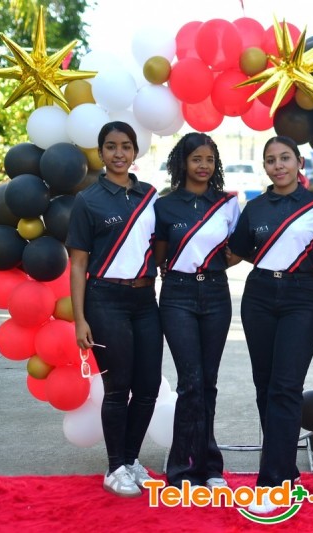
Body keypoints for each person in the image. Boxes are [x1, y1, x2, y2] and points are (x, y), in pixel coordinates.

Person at [226, 136, 313, 514]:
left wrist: (305, 258)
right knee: (265, 386)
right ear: (264, 167)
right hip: (259, 296)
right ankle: (285, 469)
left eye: (284, 158)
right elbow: (239, 252)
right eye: (270, 160)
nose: (278, 165)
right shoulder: (254, 207)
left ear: (299, 163)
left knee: (286, 387)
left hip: (301, 298)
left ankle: (272, 481)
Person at [67, 121, 162, 498]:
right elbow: (78, 264)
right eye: (111, 146)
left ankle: (132, 460)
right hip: (105, 301)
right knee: (117, 387)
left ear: (135, 151)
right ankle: (114, 467)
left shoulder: (150, 195)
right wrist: (80, 319)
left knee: (148, 387)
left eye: (125, 146)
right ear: (101, 152)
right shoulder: (87, 200)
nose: (119, 153)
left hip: (146, 301)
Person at [153, 132, 240, 491]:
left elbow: (238, 249)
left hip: (216, 294)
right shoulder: (165, 205)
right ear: (182, 162)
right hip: (178, 295)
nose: (203, 166)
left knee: (208, 383)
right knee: (190, 383)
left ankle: (210, 467)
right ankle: (181, 468)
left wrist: (217, 263)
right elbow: (158, 254)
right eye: (196, 159)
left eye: (209, 159)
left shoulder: (228, 204)